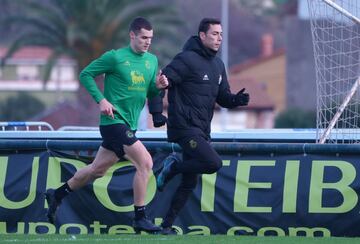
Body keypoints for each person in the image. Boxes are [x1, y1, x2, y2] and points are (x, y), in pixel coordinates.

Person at [45, 17, 168, 234]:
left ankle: (58, 194)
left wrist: (158, 88)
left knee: (97, 170)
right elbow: (86, 74)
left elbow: (149, 92)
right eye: (143, 37)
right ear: (132, 35)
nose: (147, 42)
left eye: (150, 38)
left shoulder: (151, 61)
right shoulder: (115, 57)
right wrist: (101, 100)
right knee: (146, 163)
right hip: (113, 122)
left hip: (129, 125)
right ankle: (140, 217)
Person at [155, 18, 250, 235]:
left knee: (189, 183)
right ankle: (172, 167)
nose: (219, 38)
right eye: (215, 34)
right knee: (213, 162)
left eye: (221, 34)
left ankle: (166, 226)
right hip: (183, 127)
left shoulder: (218, 65)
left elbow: (223, 97)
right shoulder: (186, 59)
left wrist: (236, 100)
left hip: (201, 129)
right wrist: (156, 112)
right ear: (202, 36)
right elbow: (161, 82)